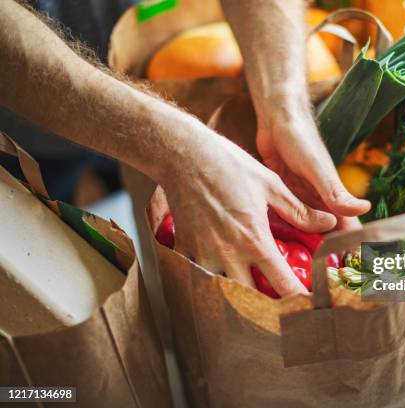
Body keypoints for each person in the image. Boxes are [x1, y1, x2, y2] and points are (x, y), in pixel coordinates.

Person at [0, 0, 370, 297]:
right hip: (22, 119)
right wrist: (177, 150)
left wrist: (287, 109)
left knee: (122, 215)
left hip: (148, 74)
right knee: (45, 259)